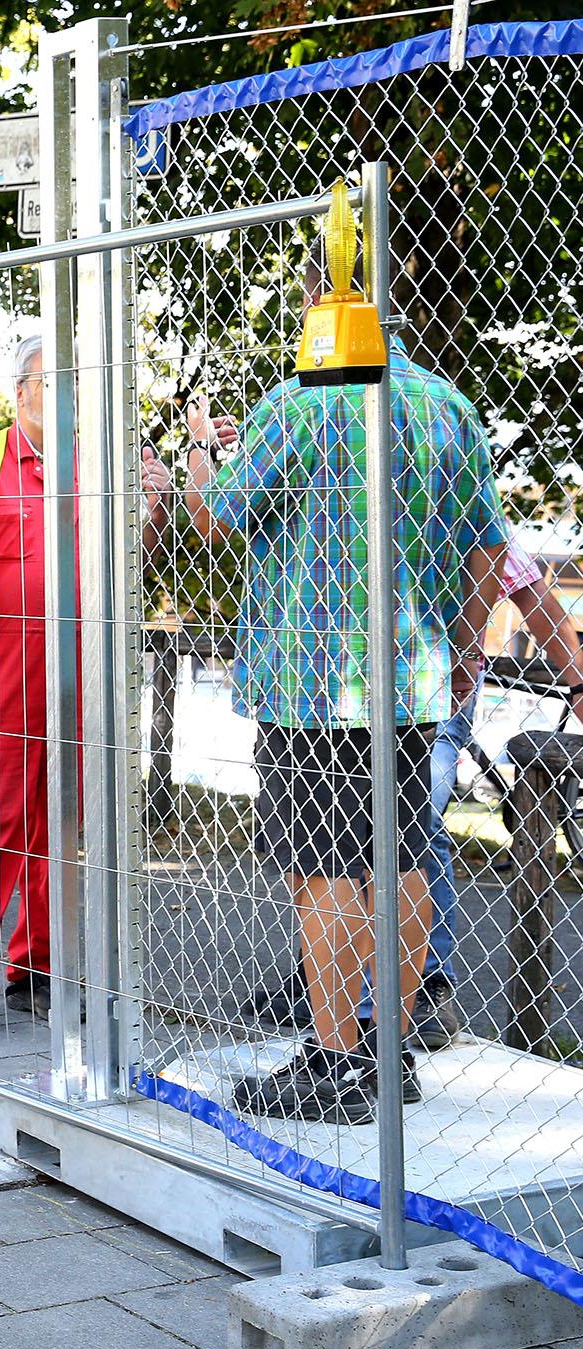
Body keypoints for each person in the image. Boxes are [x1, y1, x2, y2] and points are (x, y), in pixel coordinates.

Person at [182, 334, 508, 1124]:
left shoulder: (299, 403)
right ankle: (384, 1054)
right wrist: (464, 653)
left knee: (323, 868)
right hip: (412, 674)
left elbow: (215, 521)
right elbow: (488, 548)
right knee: (399, 858)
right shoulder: (448, 406)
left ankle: (333, 1061)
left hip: (311, 681)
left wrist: (199, 450)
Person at [0, 331, 174, 1043]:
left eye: (79, 384)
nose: (72, 396)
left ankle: (36, 968)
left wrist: (156, 506)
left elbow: (131, 558)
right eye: (57, 383)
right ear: (20, 392)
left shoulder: (98, 465)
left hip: (79, 675)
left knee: (65, 831)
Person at [244, 534, 583, 1046]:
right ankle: (336, 985)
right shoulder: (416, 477)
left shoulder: (451, 501)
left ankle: (422, 987)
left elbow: (535, 600)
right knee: (341, 836)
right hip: (342, 677)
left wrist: (575, 684)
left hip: (424, 683)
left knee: (411, 832)